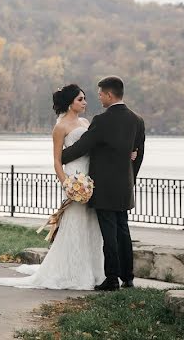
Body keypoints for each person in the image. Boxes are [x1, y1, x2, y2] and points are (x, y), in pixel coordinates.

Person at [0, 84, 106, 290]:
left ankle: (95, 272)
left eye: (85, 98)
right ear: (71, 103)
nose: (85, 102)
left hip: (89, 176)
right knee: (75, 223)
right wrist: (68, 185)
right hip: (73, 177)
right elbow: (56, 161)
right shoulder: (60, 127)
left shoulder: (86, 122)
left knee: (92, 225)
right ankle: (72, 271)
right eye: (81, 99)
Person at [61, 75, 145, 291]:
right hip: (124, 186)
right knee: (123, 231)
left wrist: (60, 156)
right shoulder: (137, 120)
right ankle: (128, 278)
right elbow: (138, 154)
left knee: (109, 235)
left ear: (109, 94)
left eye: (100, 94)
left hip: (104, 187)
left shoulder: (102, 120)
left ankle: (112, 279)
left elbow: (83, 146)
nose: (98, 98)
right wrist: (130, 179)